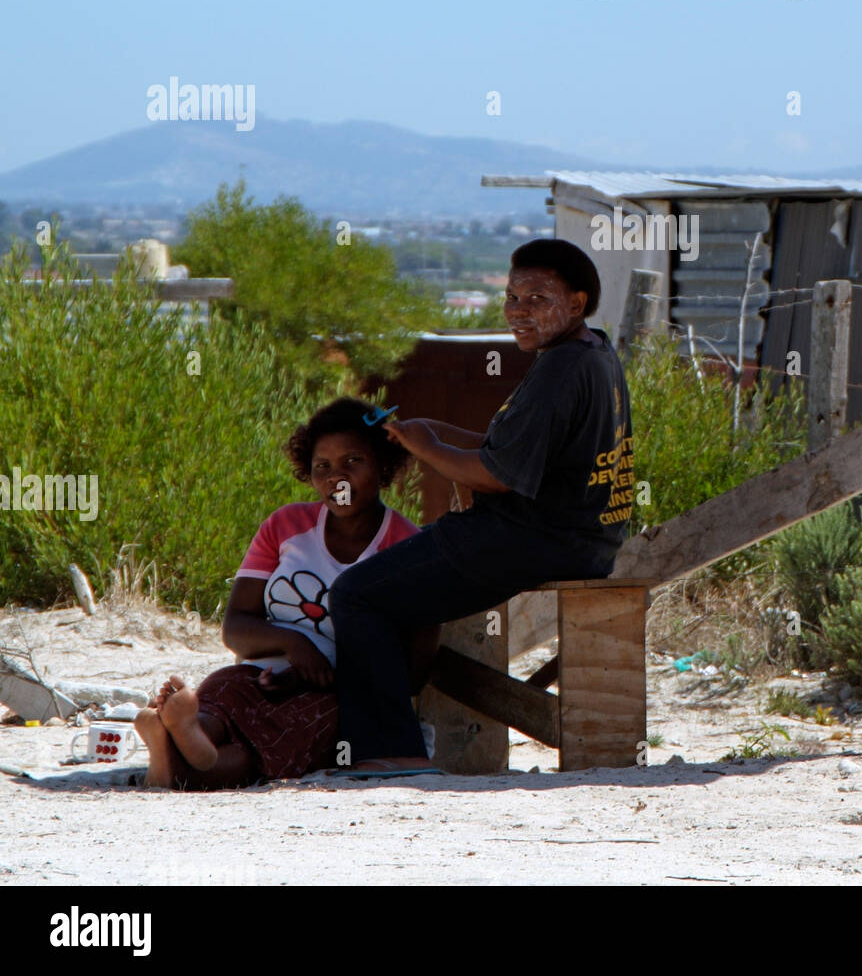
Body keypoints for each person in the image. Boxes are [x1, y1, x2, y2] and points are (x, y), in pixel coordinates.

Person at [330, 238, 634, 767]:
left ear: (577, 303)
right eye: (513, 298)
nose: (519, 311)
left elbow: (496, 475)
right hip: (584, 538)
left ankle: (390, 751)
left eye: (538, 298)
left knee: (356, 595)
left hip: (532, 538)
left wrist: (430, 449)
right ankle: (406, 735)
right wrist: (438, 431)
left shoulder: (560, 369)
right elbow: (522, 451)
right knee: (401, 581)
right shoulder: (594, 352)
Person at [134, 398, 419, 789]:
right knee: (227, 689)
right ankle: (190, 730)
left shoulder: (407, 545)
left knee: (284, 734)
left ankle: (174, 756)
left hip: (341, 696)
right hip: (260, 674)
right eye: (323, 467)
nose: (337, 479)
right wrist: (294, 644)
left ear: (384, 465)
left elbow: (411, 670)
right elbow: (236, 628)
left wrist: (320, 677)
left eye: (353, 462)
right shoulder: (285, 526)